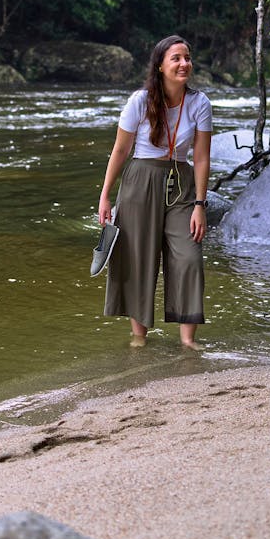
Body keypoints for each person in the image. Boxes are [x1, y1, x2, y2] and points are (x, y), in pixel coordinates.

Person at [98, 35, 213, 349]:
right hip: (140, 181)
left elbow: (202, 157)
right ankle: (139, 337)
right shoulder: (139, 100)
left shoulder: (200, 103)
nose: (184, 64)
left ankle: (188, 341)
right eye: (176, 58)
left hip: (182, 184)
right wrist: (105, 195)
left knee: (189, 256)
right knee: (138, 258)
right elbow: (120, 150)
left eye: (187, 57)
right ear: (160, 66)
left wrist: (200, 204)